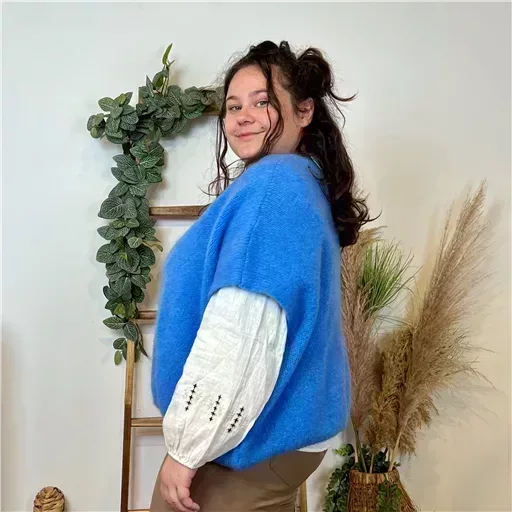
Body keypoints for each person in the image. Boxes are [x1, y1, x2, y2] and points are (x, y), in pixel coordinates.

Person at [149, 40, 370, 512]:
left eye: (261, 102)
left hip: (248, 443)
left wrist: (186, 450)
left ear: (304, 111)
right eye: (233, 107)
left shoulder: (275, 187)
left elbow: (244, 325)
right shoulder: (298, 180)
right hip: (276, 438)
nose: (242, 117)